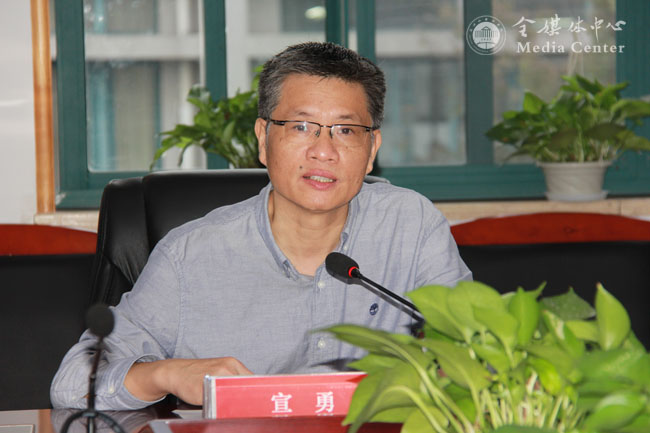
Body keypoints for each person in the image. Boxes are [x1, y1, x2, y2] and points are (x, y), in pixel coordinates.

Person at [50, 42, 471, 410]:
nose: (324, 151)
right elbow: (73, 383)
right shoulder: (191, 257)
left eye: (346, 130)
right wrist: (166, 374)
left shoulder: (411, 226)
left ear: (372, 148)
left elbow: (476, 347)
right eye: (301, 127)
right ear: (263, 138)